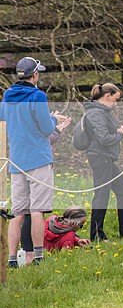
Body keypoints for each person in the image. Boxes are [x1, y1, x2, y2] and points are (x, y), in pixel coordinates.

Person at [0, 57, 68, 267]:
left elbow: (6, 119)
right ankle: (38, 257)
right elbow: (47, 129)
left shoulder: (7, 97)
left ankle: (12, 258)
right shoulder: (38, 96)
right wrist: (55, 119)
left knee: (18, 212)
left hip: (17, 160)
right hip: (38, 158)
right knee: (37, 210)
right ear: (35, 75)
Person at [83, 83, 123, 241]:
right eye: (115, 99)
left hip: (106, 157)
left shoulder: (104, 112)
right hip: (100, 157)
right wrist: (120, 134)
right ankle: (96, 235)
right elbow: (103, 138)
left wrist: (122, 131)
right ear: (107, 96)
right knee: (101, 195)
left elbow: (108, 132)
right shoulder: (95, 113)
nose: (116, 103)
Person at [18, 116, 72, 264]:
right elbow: (39, 141)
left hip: (28, 164)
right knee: (33, 212)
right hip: (36, 166)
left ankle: (27, 254)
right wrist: (52, 121)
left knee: (30, 213)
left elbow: (46, 139)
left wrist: (57, 130)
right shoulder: (30, 118)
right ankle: (30, 254)